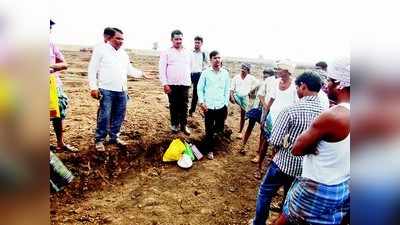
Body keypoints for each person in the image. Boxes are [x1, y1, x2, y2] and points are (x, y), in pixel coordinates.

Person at [273, 59, 350, 225]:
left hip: (317, 186)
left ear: (340, 85)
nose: (326, 85)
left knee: (285, 221)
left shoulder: (333, 115)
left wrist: (313, 143)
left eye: (329, 81)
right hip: (342, 186)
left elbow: (297, 149)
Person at [250, 71, 325, 225]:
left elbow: (275, 141)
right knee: (288, 196)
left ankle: (259, 222)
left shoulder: (291, 110)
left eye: (298, 87)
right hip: (304, 169)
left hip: (283, 163)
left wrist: (278, 152)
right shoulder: (325, 114)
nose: (297, 91)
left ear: (303, 87)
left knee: (265, 192)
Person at [88, 28, 145, 152]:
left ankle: (114, 137)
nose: (121, 41)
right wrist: (93, 87)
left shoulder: (123, 53)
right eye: (118, 38)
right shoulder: (101, 50)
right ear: (110, 38)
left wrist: (142, 73)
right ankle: (99, 140)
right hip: (106, 89)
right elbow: (92, 69)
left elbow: (129, 69)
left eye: (122, 39)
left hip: (122, 90)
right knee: (105, 115)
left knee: (119, 115)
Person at [256, 60, 298, 178]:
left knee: (279, 146)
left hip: (284, 120)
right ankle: (259, 167)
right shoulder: (276, 83)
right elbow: (271, 100)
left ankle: (273, 170)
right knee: (265, 142)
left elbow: (295, 105)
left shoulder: (295, 85)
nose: (277, 71)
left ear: (287, 71)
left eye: (280, 69)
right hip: (272, 117)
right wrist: (264, 117)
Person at [49, 19, 78, 152]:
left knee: (58, 112)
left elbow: (64, 64)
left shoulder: (51, 44)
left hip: (53, 84)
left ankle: (60, 143)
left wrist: (51, 67)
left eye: (49, 27)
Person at [197, 50, 230, 160]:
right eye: (215, 58)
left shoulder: (225, 73)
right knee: (209, 129)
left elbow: (227, 90)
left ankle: (215, 143)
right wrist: (201, 102)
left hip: (221, 106)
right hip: (208, 107)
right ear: (210, 60)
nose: (217, 60)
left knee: (219, 128)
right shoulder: (205, 73)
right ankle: (209, 150)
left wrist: (225, 104)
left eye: (219, 58)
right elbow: (200, 88)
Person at [159, 30, 192, 135]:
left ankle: (183, 125)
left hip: (185, 84)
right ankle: (174, 125)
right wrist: (165, 84)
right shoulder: (166, 52)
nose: (178, 41)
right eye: (176, 39)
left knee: (184, 105)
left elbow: (189, 67)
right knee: (174, 105)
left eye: (180, 39)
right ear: (171, 40)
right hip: (171, 84)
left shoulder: (187, 52)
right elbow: (162, 69)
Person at [249, 68, 278, 164]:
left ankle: (274, 157)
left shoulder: (288, 83)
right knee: (263, 134)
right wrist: (266, 107)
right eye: (277, 69)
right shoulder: (269, 81)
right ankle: (259, 154)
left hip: (279, 112)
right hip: (267, 110)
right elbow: (260, 95)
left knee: (277, 135)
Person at [230, 63, 259, 138]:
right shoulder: (236, 77)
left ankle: (240, 131)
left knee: (243, 114)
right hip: (237, 95)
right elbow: (231, 89)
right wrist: (232, 97)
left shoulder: (251, 78)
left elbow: (257, 83)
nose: (243, 70)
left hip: (245, 97)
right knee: (229, 97)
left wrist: (251, 90)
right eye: (242, 69)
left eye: (245, 69)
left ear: (248, 71)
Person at [189, 36, 208, 117]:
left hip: (199, 75)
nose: (196, 44)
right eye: (195, 42)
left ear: (201, 43)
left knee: (195, 94)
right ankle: (183, 108)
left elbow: (206, 65)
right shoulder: (190, 52)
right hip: (189, 74)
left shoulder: (203, 54)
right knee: (185, 91)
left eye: (198, 42)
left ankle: (191, 111)